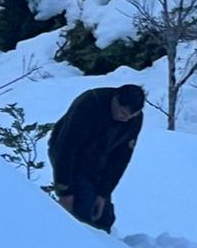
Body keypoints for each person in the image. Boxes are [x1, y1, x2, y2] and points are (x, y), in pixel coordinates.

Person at [47, 84, 146, 232]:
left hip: (99, 163)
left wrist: (104, 193)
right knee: (82, 208)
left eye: (131, 116)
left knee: (103, 217)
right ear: (115, 99)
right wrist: (64, 191)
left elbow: (120, 159)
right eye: (122, 112)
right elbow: (65, 147)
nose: (125, 119)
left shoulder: (134, 119)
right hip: (72, 158)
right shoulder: (90, 103)